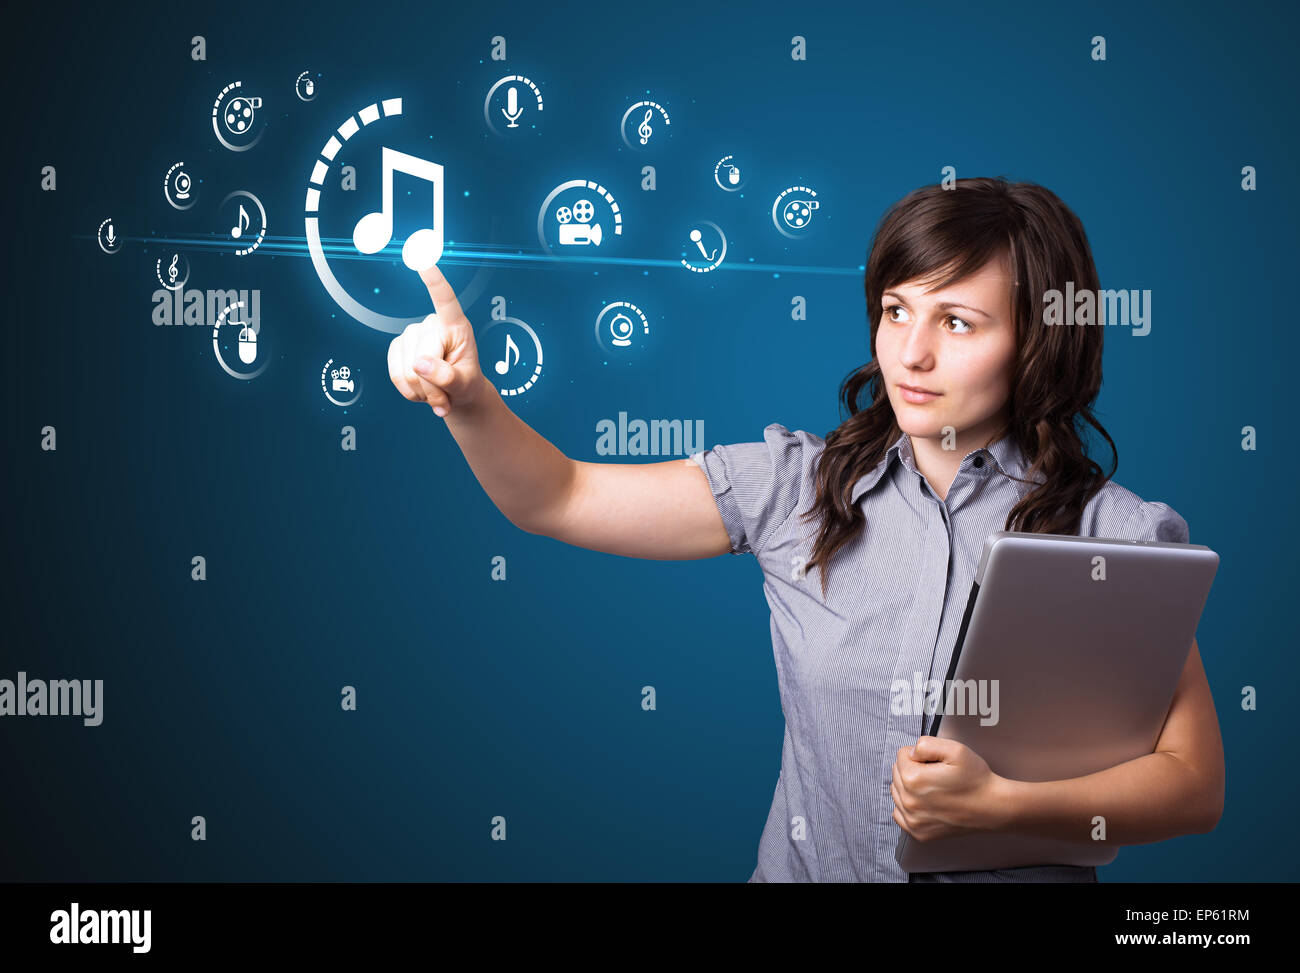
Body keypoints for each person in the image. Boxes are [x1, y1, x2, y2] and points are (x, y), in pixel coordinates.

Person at [387, 176, 1224, 883]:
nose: (911, 354)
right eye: (896, 311)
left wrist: (1004, 805)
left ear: (1038, 340)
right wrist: (471, 401)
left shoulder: (1112, 534)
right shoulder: (796, 484)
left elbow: (1192, 784)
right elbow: (557, 495)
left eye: (957, 322)